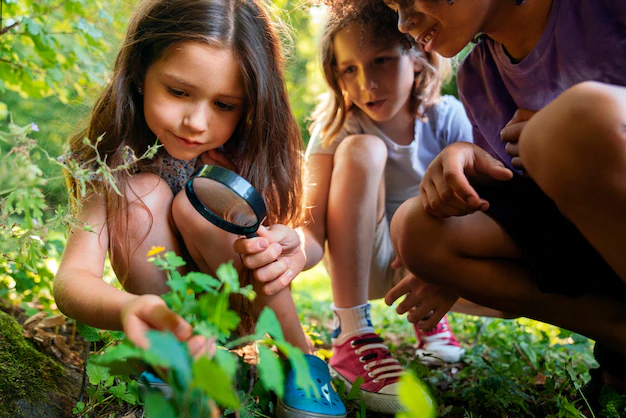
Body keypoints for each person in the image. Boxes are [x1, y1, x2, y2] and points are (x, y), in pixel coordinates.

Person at [53, 1, 346, 416]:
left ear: (249, 104)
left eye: (224, 105)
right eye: (178, 91)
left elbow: (305, 243)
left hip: (241, 306)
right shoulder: (113, 161)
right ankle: (179, 357)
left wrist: (292, 248)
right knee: (141, 194)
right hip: (172, 317)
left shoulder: (245, 157)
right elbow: (72, 279)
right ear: (140, 72)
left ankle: (300, 360)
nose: (196, 121)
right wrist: (128, 307)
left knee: (203, 201)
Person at [235, 2, 501, 413]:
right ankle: (351, 333)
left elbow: (484, 205)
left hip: (432, 261)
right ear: (335, 76)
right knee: (363, 149)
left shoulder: (448, 119)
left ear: (417, 57)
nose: (367, 83)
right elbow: (314, 235)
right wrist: (291, 248)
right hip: (363, 259)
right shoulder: (338, 129)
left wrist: (437, 265)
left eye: (380, 61)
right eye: (349, 70)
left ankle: (429, 319)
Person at [373, 0, 626, 406]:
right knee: (415, 227)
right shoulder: (479, 77)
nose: (404, 22)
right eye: (393, 5)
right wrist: (467, 159)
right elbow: (524, 196)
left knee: (577, 119)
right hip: (587, 244)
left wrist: (562, 133)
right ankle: (620, 340)